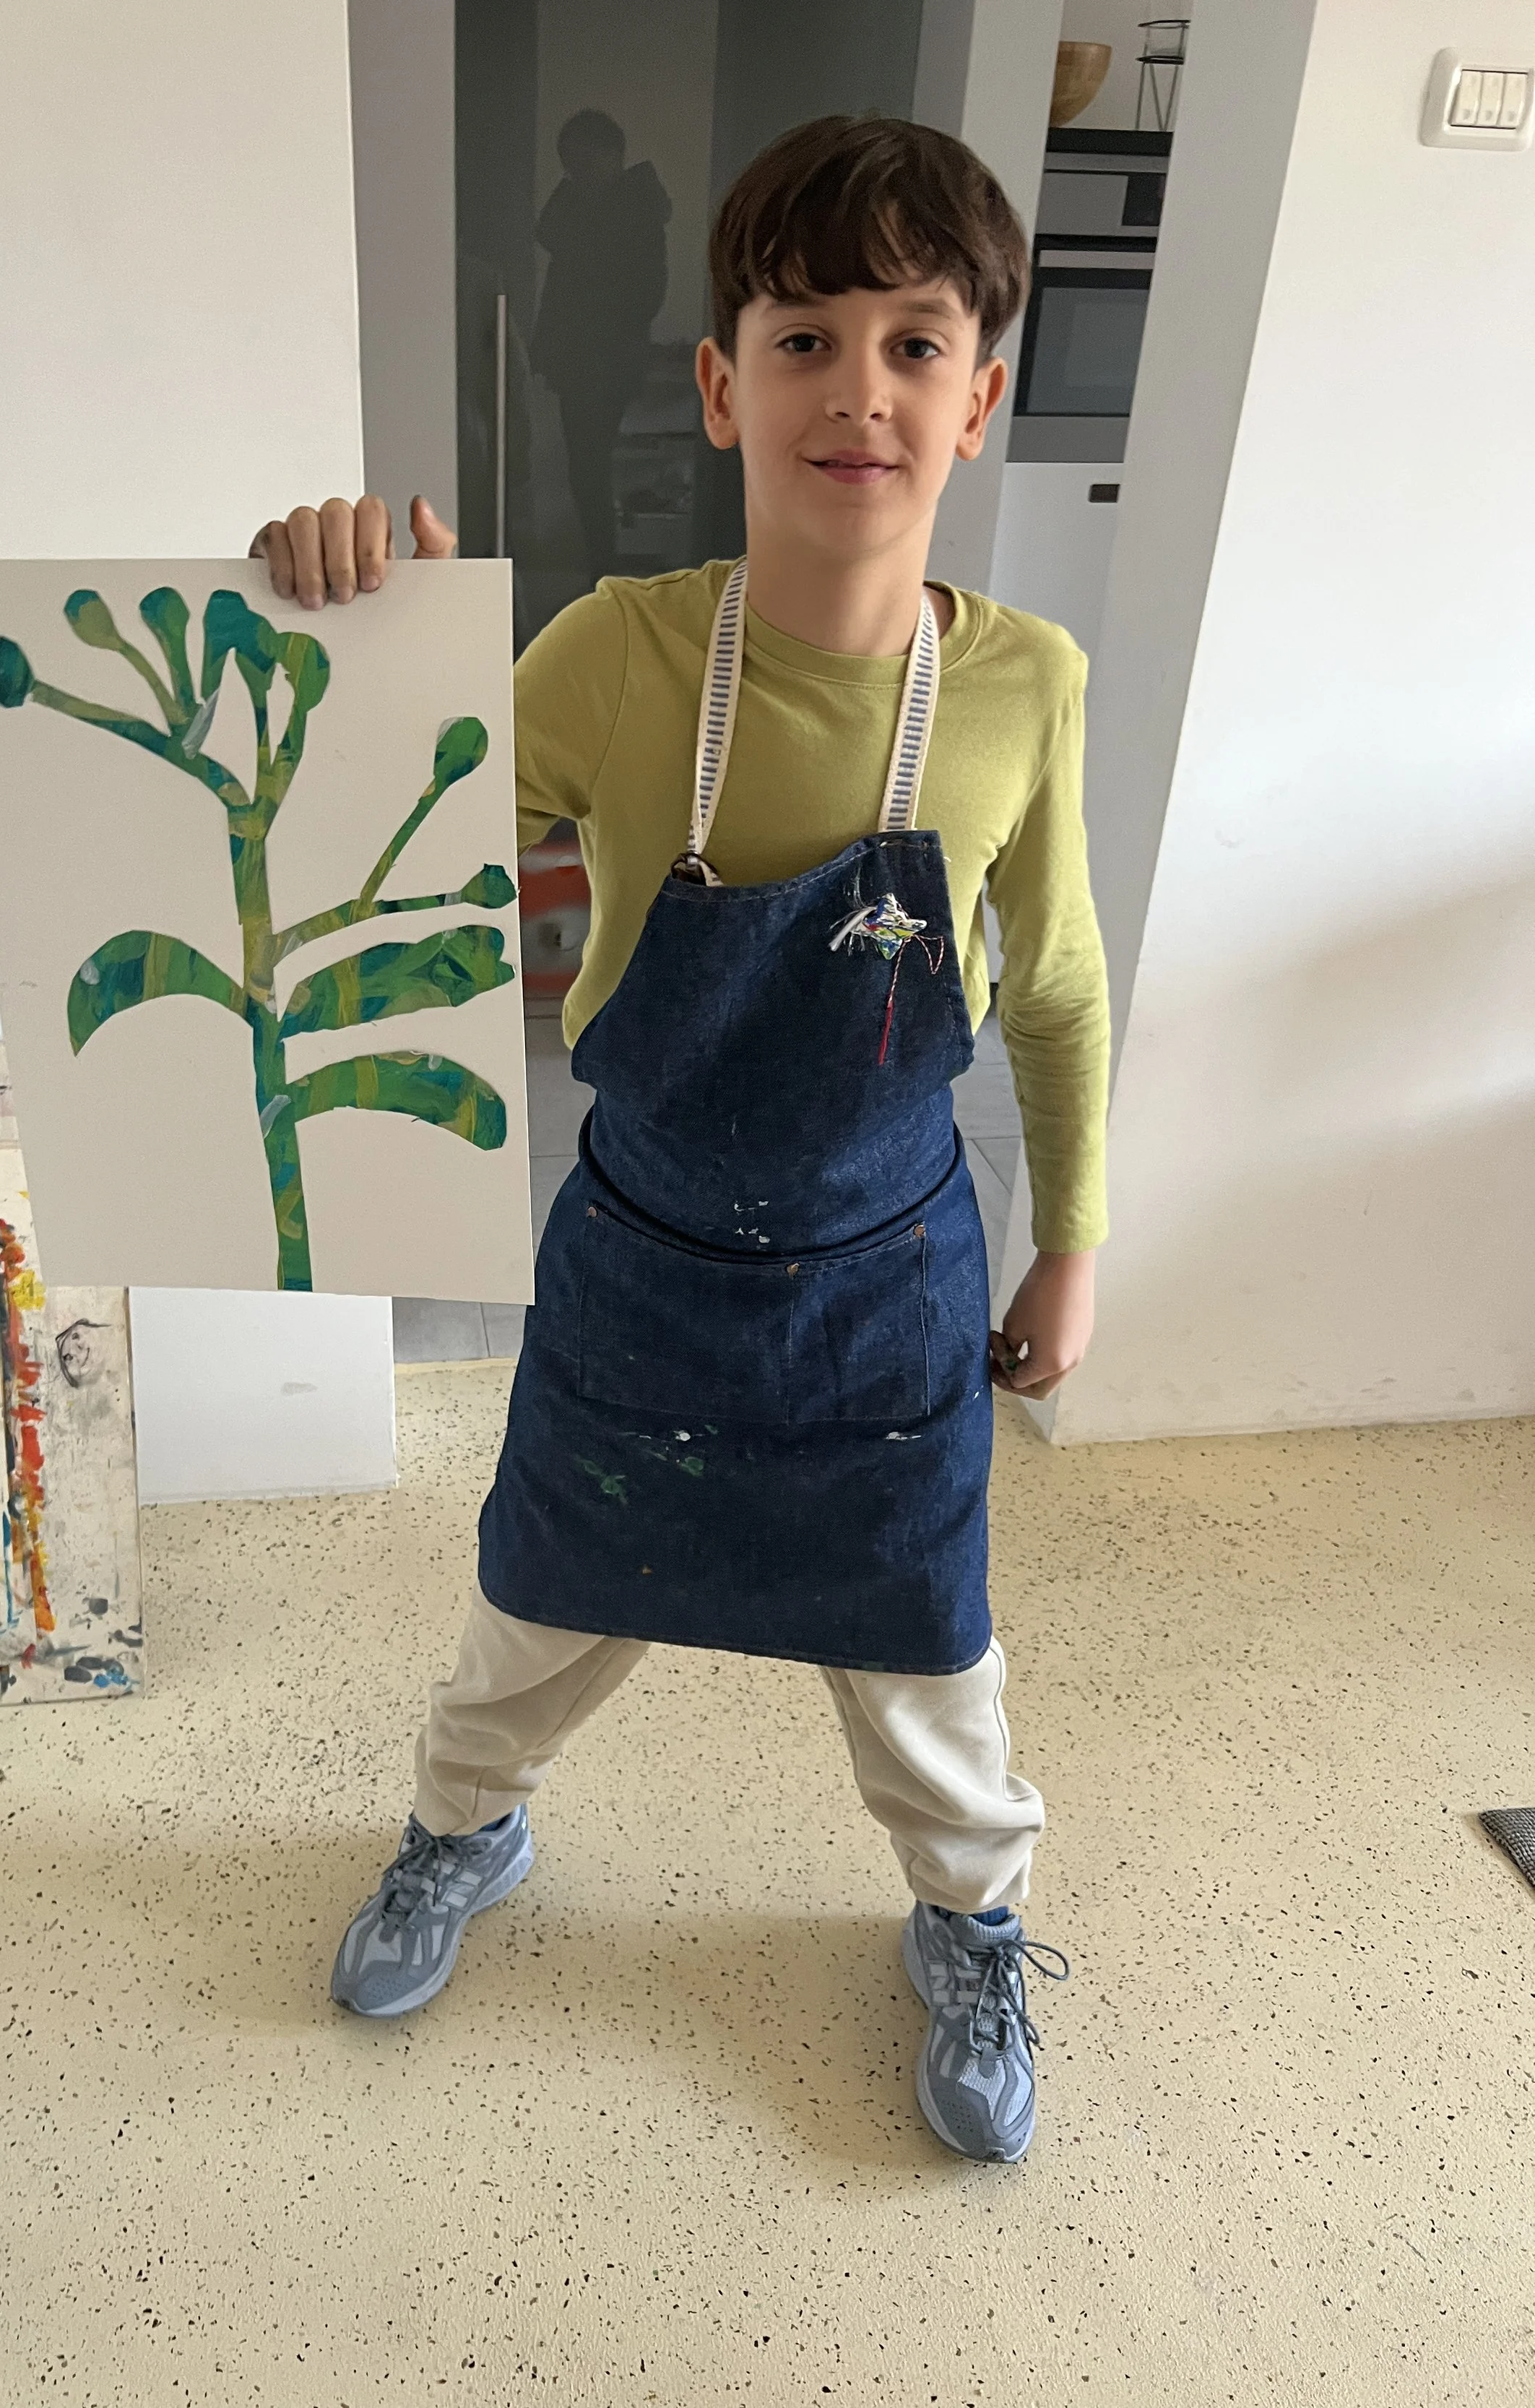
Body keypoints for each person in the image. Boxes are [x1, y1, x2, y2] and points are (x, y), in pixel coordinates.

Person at [250, 113, 1108, 2166]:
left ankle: (970, 1918)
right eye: (804, 337)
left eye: (913, 343)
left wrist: (1069, 1239)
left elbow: (1058, 984)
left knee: (927, 1653)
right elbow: (368, 848)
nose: (858, 388)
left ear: (978, 399)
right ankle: (462, 1830)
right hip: (640, 1263)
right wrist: (350, 627)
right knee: (535, 1600)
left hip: (890, 1283)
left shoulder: (1022, 685)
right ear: (722, 385)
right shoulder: (619, 655)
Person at [529, 110, 671, 580]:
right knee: (587, 466)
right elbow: (549, 232)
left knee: (590, 466)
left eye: (582, 164)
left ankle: (603, 564)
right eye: (569, 166)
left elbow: (645, 295)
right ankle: (601, 562)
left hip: (603, 360)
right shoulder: (599, 208)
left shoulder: (630, 214)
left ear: (612, 157)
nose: (576, 175)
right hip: (589, 359)